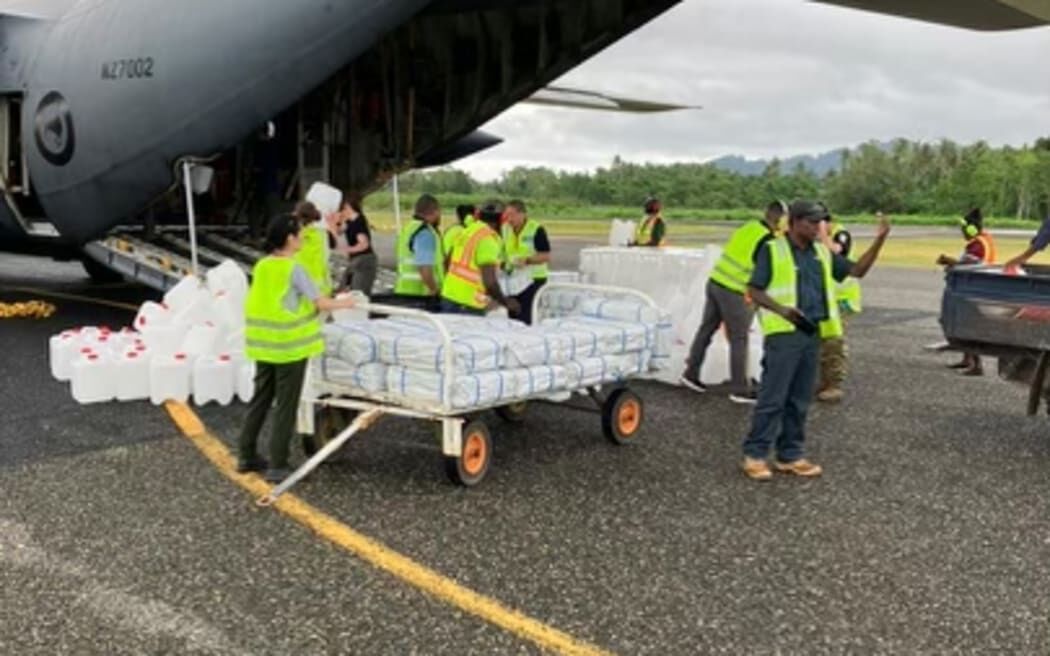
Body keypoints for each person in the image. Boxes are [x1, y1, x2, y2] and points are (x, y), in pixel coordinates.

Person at [741, 201, 890, 481]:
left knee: (799, 400)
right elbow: (754, 290)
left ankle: (790, 455)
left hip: (812, 334)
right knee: (773, 398)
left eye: (820, 222)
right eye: (811, 222)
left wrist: (880, 240)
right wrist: (783, 310)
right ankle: (756, 454)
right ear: (794, 222)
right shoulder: (772, 249)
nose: (817, 227)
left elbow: (857, 270)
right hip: (784, 334)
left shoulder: (822, 252)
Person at [238, 214, 357, 483]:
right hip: (289, 347)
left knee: (261, 399)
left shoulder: (263, 266)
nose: (303, 237)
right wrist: (346, 303)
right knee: (285, 406)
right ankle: (278, 463)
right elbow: (320, 303)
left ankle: (246, 455)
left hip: (262, 344)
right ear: (290, 239)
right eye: (300, 234)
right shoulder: (294, 269)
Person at [681, 200, 785, 403]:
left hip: (716, 282)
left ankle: (690, 374)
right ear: (780, 219)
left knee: (706, 329)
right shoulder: (767, 239)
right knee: (739, 338)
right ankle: (740, 389)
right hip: (735, 290)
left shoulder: (749, 226)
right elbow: (763, 271)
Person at [936, 208, 996, 376]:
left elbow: (969, 265)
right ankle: (967, 359)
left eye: (964, 229)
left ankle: (976, 365)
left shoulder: (977, 245)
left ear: (971, 229)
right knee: (966, 323)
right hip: (977, 286)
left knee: (970, 324)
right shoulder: (985, 239)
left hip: (974, 287)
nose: (962, 233)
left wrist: (948, 261)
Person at [440, 200, 520, 316]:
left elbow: (447, 263)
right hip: (467, 305)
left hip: (448, 297)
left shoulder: (467, 231)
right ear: (500, 221)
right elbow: (490, 282)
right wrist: (506, 302)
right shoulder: (488, 239)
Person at [815, 209, 862, 403]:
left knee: (834, 342)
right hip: (826, 298)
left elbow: (835, 252)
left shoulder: (841, 234)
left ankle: (834, 385)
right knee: (822, 343)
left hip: (842, 299)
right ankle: (824, 381)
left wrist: (823, 234)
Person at [501, 200, 551, 324]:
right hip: (513, 279)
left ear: (522, 214)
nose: (509, 218)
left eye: (512, 215)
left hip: (533, 279)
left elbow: (545, 256)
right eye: (507, 215)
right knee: (512, 315)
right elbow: (501, 252)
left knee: (526, 316)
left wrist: (528, 260)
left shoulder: (536, 229)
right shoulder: (505, 229)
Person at [394, 194, 444, 311]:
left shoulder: (408, 229)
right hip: (420, 295)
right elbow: (424, 267)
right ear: (435, 211)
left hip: (403, 290)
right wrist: (434, 289)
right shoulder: (425, 233)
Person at [292, 200, 341, 298]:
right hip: (321, 288)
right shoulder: (323, 235)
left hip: (297, 287)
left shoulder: (292, 235)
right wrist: (331, 223)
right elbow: (335, 243)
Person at [335, 192, 377, 295]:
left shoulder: (358, 221)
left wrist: (346, 249)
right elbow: (337, 232)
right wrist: (335, 221)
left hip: (364, 260)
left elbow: (364, 244)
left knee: (357, 293)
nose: (340, 212)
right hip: (356, 260)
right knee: (343, 289)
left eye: (342, 209)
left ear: (347, 207)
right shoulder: (349, 221)